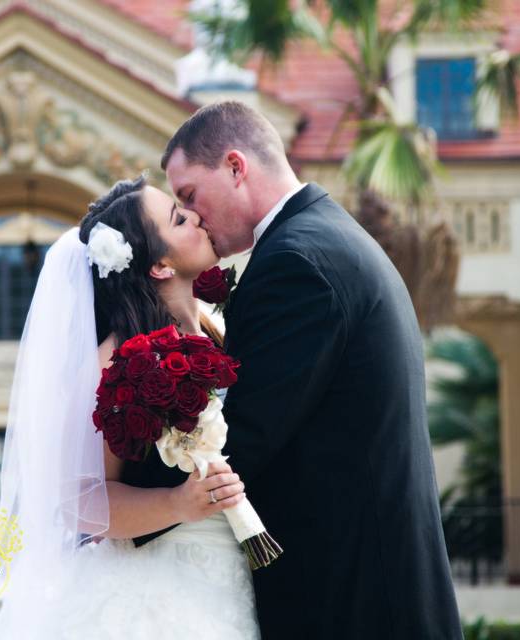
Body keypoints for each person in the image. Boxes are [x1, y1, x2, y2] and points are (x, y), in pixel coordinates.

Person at [123, 100, 464, 638]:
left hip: (355, 603)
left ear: (236, 166)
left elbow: (246, 433)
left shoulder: (297, 263)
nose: (192, 216)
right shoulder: (322, 239)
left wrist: (116, 497)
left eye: (189, 195)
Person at [0, 175, 260, 639]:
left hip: (232, 576)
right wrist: (178, 502)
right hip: (161, 596)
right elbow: (81, 502)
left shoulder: (217, 326)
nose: (194, 215)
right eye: (178, 218)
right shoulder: (113, 362)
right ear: (159, 266)